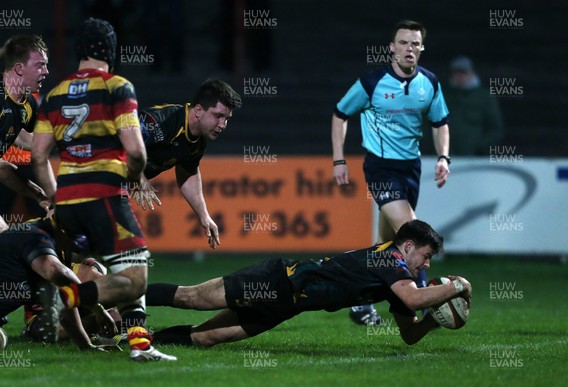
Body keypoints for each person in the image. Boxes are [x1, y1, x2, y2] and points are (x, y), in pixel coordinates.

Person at [31, 17, 175, 362]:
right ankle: (68, 296)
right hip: (104, 197)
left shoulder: (54, 93)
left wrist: (55, 197)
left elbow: (38, 156)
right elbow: (138, 151)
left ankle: (140, 344)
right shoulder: (117, 87)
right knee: (137, 279)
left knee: (132, 261)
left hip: (67, 201)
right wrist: (133, 174)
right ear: (111, 50)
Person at [144, 220, 471, 347]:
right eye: (426, 256)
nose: (426, 265)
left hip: (288, 305)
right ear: (409, 246)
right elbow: (414, 300)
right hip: (276, 280)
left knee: (208, 337)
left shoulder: (400, 282)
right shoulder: (389, 260)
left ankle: (137, 340)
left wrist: (433, 320)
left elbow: (409, 333)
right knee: (191, 298)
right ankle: (121, 295)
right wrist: (458, 287)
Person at [331, 20, 451, 325]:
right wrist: (339, 160)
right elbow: (340, 114)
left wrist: (443, 158)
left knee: (387, 247)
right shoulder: (372, 82)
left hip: (411, 168)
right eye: (403, 43)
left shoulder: (429, 83)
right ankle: (425, 301)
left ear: (422, 48)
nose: (409, 49)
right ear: (392, 48)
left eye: (415, 43)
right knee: (411, 231)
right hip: (380, 166)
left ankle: (360, 304)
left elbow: (440, 124)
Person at [0, 216, 112, 351]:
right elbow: (56, 272)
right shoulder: (34, 235)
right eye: (82, 238)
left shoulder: (55, 246)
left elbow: (65, 298)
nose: (83, 245)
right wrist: (97, 308)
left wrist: (86, 346)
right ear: (64, 229)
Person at [133, 79, 242, 248]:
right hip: (94, 174)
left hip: (114, 187)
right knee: (124, 249)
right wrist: (138, 176)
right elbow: (118, 143)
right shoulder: (161, 121)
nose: (223, 125)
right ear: (198, 110)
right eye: (218, 116)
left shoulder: (198, 140)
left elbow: (188, 171)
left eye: (226, 119)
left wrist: (204, 215)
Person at [0, 37, 50, 235]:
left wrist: (40, 194)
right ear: (20, 68)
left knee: (3, 246)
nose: (46, 72)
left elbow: (20, 146)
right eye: (40, 66)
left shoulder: (27, 105)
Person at [422, 56, 503, 156]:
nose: (460, 76)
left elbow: (495, 128)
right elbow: (428, 123)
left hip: (473, 156)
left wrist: (480, 146)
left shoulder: (484, 97)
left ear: (472, 73)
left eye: (464, 72)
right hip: (444, 155)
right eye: (456, 73)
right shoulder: (442, 95)